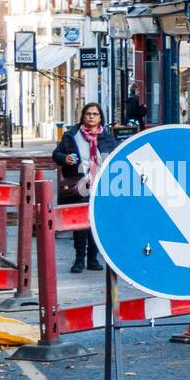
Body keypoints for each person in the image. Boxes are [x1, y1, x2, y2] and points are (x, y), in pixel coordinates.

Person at [52, 103, 119, 273]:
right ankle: (79, 259)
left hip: (100, 185)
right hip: (79, 184)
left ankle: (93, 259)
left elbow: (116, 158)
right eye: (88, 114)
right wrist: (65, 158)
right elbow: (56, 154)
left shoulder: (107, 138)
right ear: (83, 116)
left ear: (100, 117)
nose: (91, 117)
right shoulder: (72, 135)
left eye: (95, 114)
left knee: (95, 223)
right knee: (80, 223)